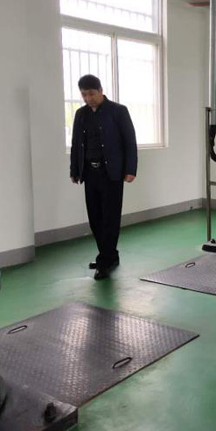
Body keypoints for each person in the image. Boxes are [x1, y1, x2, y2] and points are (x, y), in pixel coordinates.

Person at [70, 74, 138, 280]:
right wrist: (75, 170)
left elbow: (129, 141)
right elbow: (76, 144)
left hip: (112, 173)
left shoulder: (118, 111)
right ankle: (109, 255)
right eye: (84, 95)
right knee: (95, 218)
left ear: (101, 90)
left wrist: (131, 169)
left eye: (91, 94)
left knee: (110, 218)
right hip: (90, 173)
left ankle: (104, 261)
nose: (88, 98)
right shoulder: (81, 114)